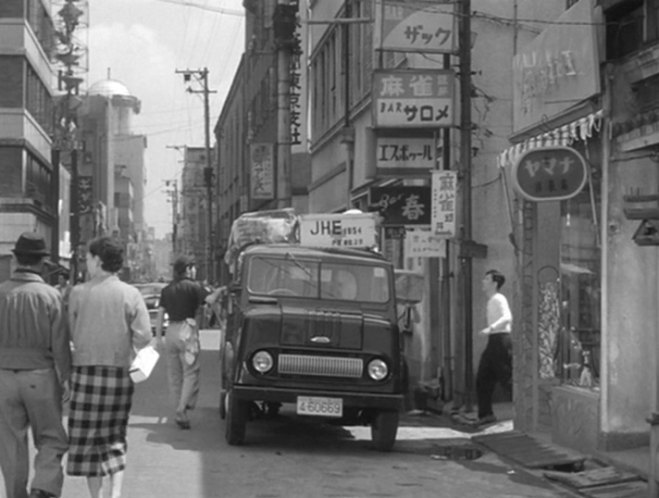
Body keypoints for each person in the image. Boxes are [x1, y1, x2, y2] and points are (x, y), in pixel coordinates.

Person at [66, 236, 152, 498]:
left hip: (84, 373)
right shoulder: (131, 293)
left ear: (98, 260)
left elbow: (70, 332)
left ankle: (96, 496)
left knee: (88, 441)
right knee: (115, 436)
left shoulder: (78, 293)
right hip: (118, 374)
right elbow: (144, 336)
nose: (87, 263)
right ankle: (115, 494)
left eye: (89, 259)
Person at [0, 232, 71, 498]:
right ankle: (43, 486)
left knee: (11, 443)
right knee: (52, 437)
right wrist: (66, 378)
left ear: (16, 260)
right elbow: (60, 343)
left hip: (3, 377)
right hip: (40, 375)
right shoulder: (50, 295)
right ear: (42, 264)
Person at [155, 256, 207, 429]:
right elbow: (210, 301)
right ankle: (181, 408)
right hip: (187, 330)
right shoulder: (195, 287)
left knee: (175, 375)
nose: (194, 270)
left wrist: (158, 337)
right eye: (192, 267)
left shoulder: (167, 289)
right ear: (188, 269)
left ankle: (181, 412)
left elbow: (160, 314)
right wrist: (220, 291)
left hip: (170, 331)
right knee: (191, 372)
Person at [475, 269, 513, 426]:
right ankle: (486, 414)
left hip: (501, 339)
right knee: (483, 378)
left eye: (487, 279)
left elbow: (507, 317)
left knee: (507, 378)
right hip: (493, 340)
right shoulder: (491, 300)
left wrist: (491, 328)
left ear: (495, 283)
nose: (483, 282)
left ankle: (524, 411)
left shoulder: (499, 298)